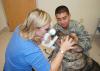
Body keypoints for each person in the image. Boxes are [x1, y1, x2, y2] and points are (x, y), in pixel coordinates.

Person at [3, 9, 76, 71]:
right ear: (35, 28)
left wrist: (47, 39)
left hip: (9, 67)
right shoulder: (31, 50)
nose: (49, 31)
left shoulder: (20, 28)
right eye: (46, 29)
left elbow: (34, 39)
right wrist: (62, 50)